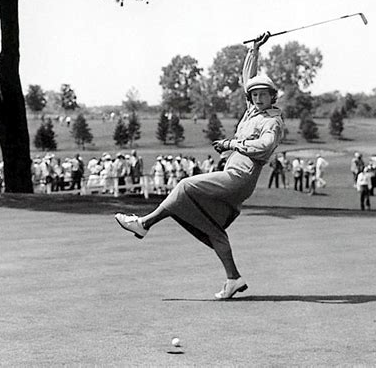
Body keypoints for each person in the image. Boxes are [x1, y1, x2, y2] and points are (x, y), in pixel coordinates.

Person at [115, 32, 284, 299]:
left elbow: (265, 146)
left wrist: (232, 145)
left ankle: (145, 224)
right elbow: (246, 81)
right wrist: (253, 50)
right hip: (232, 174)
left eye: (264, 95)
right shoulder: (253, 111)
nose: (258, 98)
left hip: (241, 177)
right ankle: (233, 279)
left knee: (184, 186)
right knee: (210, 227)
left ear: (273, 97)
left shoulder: (271, 121)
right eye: (255, 95)